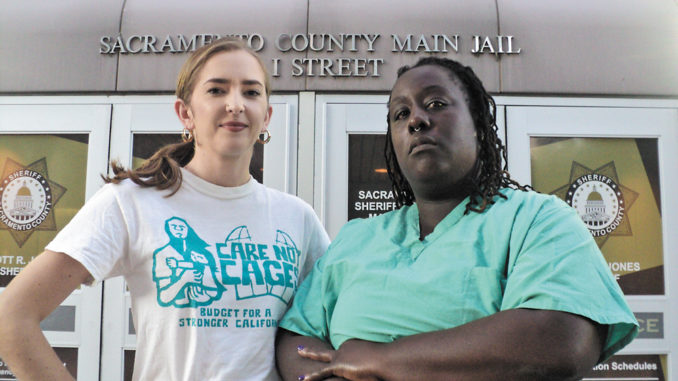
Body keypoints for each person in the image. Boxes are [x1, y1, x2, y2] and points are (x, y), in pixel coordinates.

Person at [276, 57, 638, 381]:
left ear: (478, 124)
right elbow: (295, 336)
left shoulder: (537, 219)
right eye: (401, 114)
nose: (416, 119)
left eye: (435, 104)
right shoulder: (356, 238)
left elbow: (562, 338)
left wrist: (380, 358)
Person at [0, 37, 329, 381]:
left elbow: (330, 323)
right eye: (217, 90)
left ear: (267, 116)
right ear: (185, 113)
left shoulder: (297, 218)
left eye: (251, 92)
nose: (235, 104)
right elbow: (12, 316)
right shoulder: (131, 203)